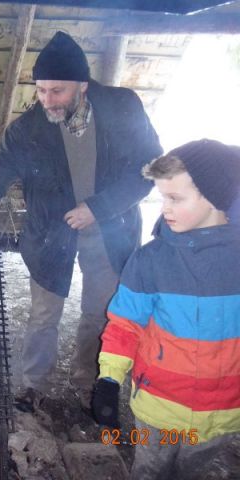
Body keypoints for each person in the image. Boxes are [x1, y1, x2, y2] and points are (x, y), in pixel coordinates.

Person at [0, 31, 162, 406]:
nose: (47, 100)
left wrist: (97, 208)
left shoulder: (123, 108)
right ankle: (34, 385)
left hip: (111, 229)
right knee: (42, 315)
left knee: (100, 312)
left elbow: (149, 169)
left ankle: (90, 383)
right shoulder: (27, 129)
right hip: (51, 235)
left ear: (82, 85)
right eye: (41, 90)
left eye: (58, 92)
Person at [92, 139, 240, 479]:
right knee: (150, 471)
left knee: (192, 471)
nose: (165, 209)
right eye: (161, 198)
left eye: (175, 198)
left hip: (224, 412)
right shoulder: (150, 261)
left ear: (214, 196)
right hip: (159, 409)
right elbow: (124, 325)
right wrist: (109, 380)